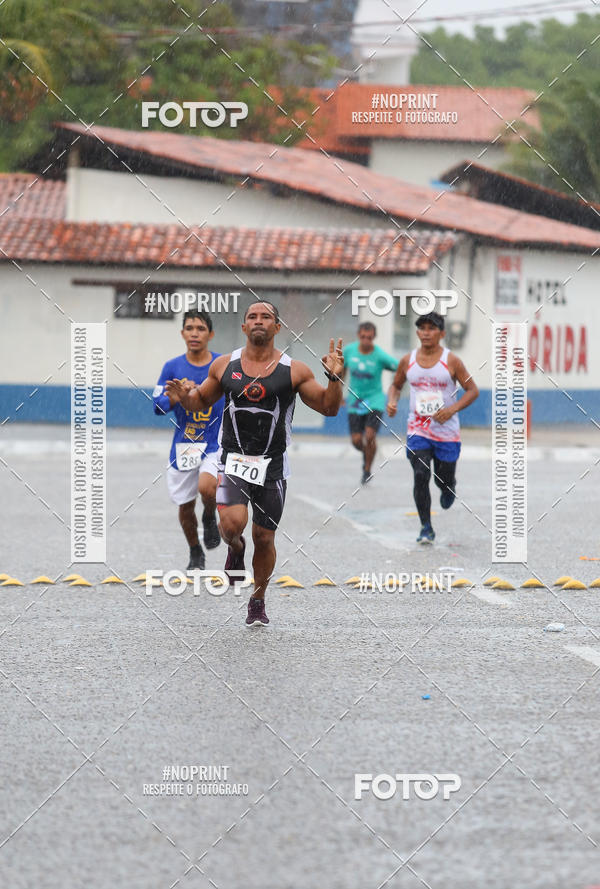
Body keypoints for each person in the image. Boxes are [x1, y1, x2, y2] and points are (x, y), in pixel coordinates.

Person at [165, 301, 344, 627]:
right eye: (252, 317)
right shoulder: (224, 365)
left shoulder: (294, 370)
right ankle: (235, 547)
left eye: (266, 317)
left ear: (277, 327)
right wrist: (183, 398)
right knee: (232, 526)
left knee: (264, 538)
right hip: (232, 459)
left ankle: (258, 599)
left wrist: (334, 378)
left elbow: (328, 408)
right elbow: (200, 401)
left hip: (273, 466)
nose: (259, 321)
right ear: (244, 326)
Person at [386, 311, 479, 544]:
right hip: (418, 429)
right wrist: (392, 401)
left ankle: (448, 486)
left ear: (442, 333)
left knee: (442, 479)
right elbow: (396, 385)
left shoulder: (452, 360)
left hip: (446, 431)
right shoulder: (408, 360)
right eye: (422, 328)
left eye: (432, 328)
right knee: (421, 473)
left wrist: (451, 409)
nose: (426, 333)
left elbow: (473, 390)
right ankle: (425, 527)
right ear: (417, 333)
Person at [153, 311, 224, 570]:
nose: (195, 333)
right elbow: (157, 406)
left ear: (210, 334)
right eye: (190, 328)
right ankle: (195, 551)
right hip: (184, 445)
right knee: (185, 506)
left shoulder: (221, 364)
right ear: (182, 333)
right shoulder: (172, 367)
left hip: (214, 442)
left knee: (208, 488)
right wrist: (175, 398)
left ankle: (209, 515)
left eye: (201, 328)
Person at [343, 322, 398, 484]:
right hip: (355, 400)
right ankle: (368, 452)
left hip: (375, 400)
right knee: (356, 440)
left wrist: (397, 388)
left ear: (374, 337)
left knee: (370, 435)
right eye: (363, 337)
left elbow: (400, 368)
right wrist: (338, 392)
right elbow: (341, 371)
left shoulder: (380, 356)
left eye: (369, 337)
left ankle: (366, 470)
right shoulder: (349, 351)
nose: (366, 340)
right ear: (358, 336)